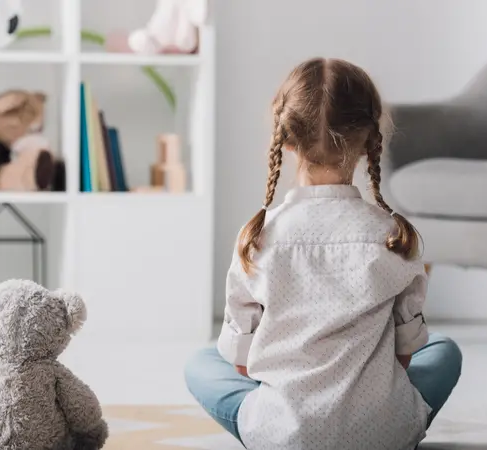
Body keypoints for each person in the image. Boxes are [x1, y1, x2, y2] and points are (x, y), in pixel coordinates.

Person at [184, 58, 463, 450]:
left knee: (200, 364)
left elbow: (242, 364)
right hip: (383, 434)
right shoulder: (393, 236)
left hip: (284, 435)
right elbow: (404, 354)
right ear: (369, 139)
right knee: (444, 350)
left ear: (287, 138)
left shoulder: (260, 236)